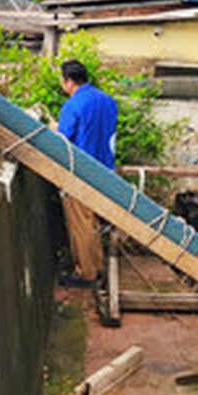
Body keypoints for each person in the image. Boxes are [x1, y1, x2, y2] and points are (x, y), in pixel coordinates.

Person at [56, 59, 118, 284]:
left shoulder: (73, 105)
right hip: (106, 171)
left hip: (81, 172)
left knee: (81, 224)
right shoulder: (108, 101)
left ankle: (86, 273)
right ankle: (97, 266)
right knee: (94, 223)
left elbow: (63, 141)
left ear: (68, 81)